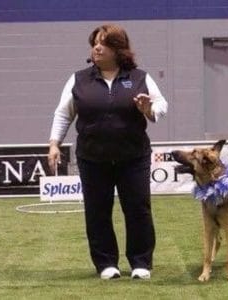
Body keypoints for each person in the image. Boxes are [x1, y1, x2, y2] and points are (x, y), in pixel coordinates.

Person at [48, 24, 168, 280]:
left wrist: (148, 109)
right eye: (94, 43)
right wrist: (54, 143)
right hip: (92, 158)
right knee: (97, 210)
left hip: (133, 157)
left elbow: (160, 104)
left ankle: (141, 263)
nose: (97, 48)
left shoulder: (139, 77)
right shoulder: (78, 79)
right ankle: (106, 264)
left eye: (103, 43)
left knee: (137, 209)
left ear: (118, 49)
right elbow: (63, 113)